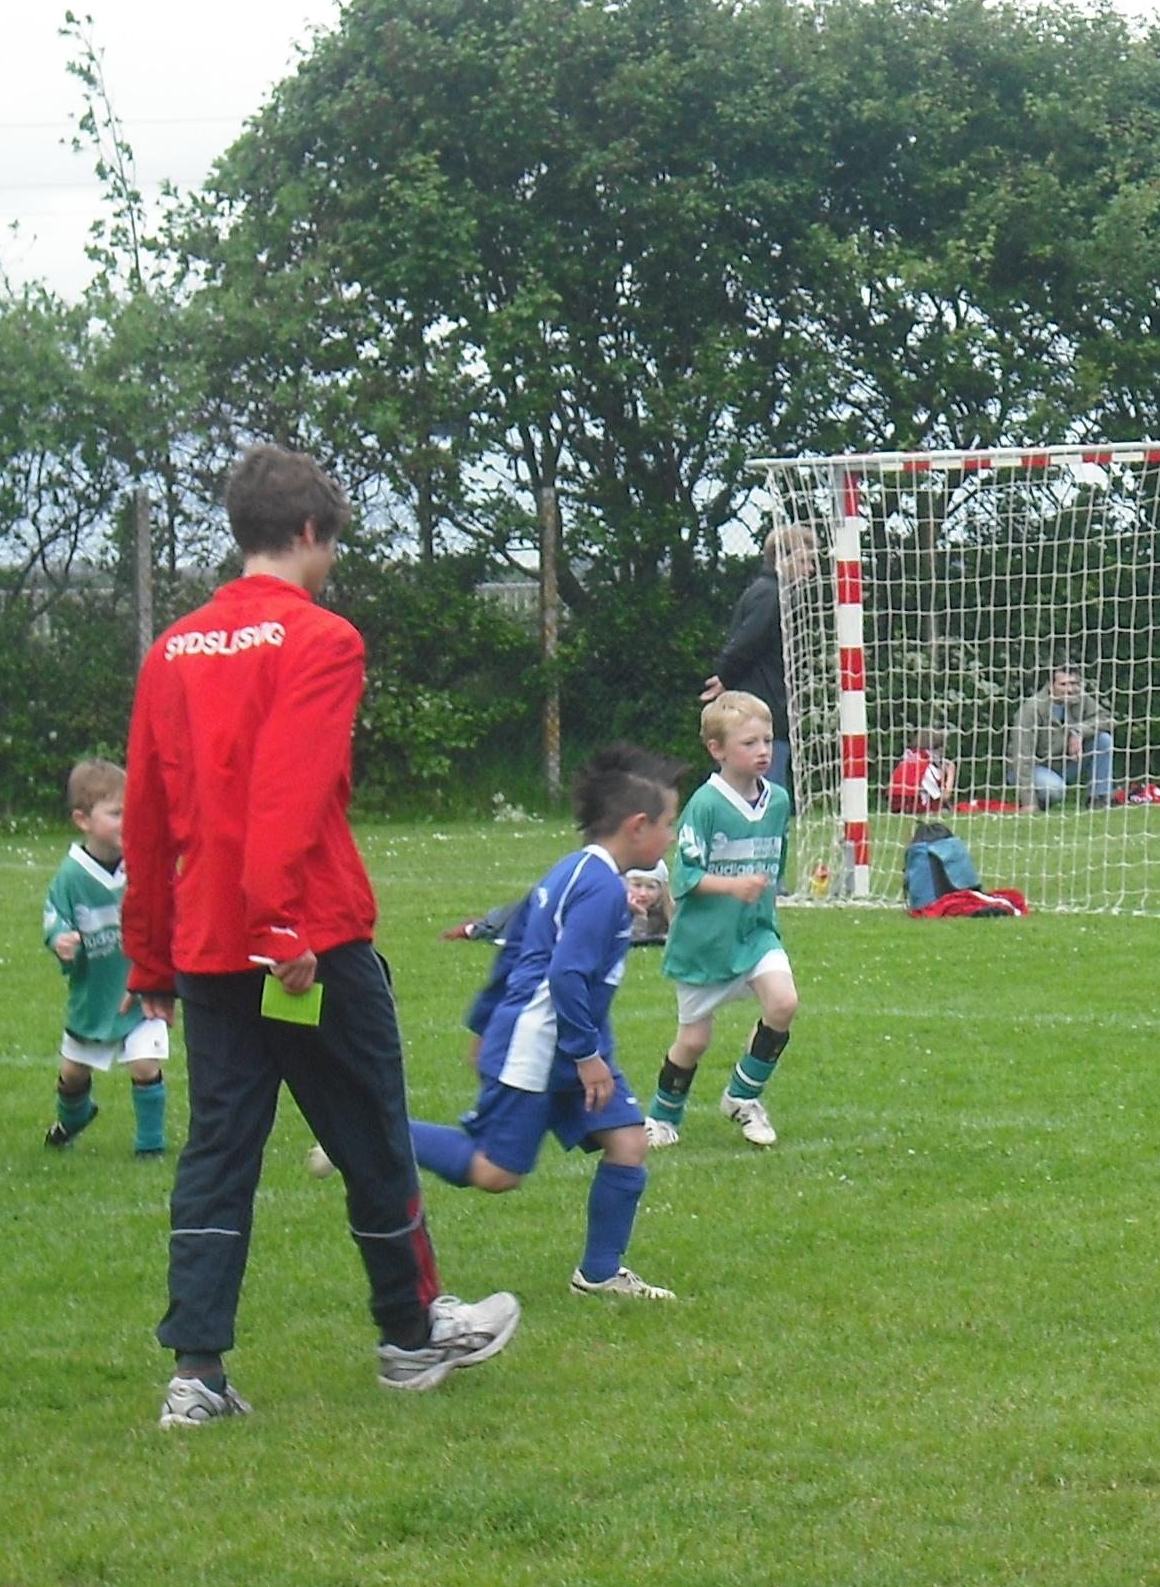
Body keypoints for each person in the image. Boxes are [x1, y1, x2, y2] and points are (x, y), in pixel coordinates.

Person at [122, 444, 520, 1429]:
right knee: (370, 1129)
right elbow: (289, 791)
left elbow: (147, 813)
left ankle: (197, 1373)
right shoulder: (322, 639)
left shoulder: (174, 648)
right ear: (309, 531)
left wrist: (150, 955)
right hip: (304, 943)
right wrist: (282, 927)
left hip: (210, 945)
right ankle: (410, 1334)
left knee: (219, 1148)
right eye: (332, 543)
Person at [406, 744, 681, 1302]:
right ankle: (373, 1133)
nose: (672, 836)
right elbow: (565, 974)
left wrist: (483, 1023)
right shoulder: (600, 889)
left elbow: (515, 949)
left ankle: (598, 1274)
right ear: (637, 826)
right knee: (496, 1172)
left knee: (629, 1141)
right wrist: (586, 1056)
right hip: (543, 1044)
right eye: (668, 824)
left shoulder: (572, 871)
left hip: (572, 1043)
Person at [649, 692, 798, 1149]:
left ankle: (742, 1097)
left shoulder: (778, 801)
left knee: (783, 1003)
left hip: (754, 932)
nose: (763, 751)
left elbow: (774, 865)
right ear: (717, 749)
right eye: (749, 743)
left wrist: (759, 897)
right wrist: (734, 886)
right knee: (694, 1041)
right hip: (704, 941)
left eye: (767, 740)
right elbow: (685, 877)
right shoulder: (706, 804)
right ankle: (662, 1117)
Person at [42, 759, 169, 1157]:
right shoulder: (71, 875)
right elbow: (54, 918)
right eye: (116, 814)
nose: (127, 823)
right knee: (73, 1074)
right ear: (83, 820)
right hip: (93, 996)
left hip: (140, 988)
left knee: (145, 1064)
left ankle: (151, 1146)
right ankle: (73, 1118)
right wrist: (60, 940)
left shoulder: (141, 863)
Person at [700, 522, 814, 792]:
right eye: (805, 561)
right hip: (762, 710)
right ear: (783, 558)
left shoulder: (772, 593)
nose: (810, 570)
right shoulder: (770, 595)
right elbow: (745, 642)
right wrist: (725, 676)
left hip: (766, 709)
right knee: (762, 793)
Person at [1009, 665, 1116, 807]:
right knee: (1054, 789)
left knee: (1103, 740)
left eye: (1073, 683)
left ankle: (1099, 799)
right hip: (1034, 768)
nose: (1069, 689)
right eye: (1063, 684)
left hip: (1065, 763)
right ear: (1050, 686)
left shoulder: (1080, 699)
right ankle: (1038, 799)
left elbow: (1107, 719)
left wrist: (1078, 731)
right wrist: (1029, 802)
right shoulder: (1031, 710)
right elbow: (1022, 758)